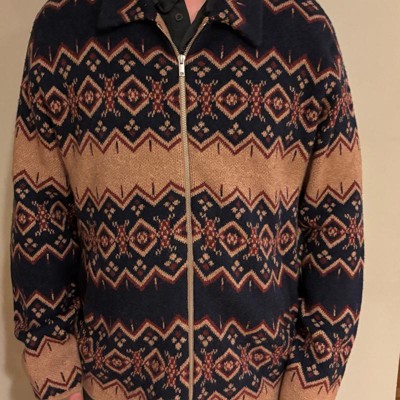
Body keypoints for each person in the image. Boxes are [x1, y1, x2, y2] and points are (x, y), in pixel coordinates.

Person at [9, 0, 365, 399]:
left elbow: (338, 231)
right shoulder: (63, 32)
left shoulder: (300, 31)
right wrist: (57, 384)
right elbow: (39, 223)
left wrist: (309, 389)